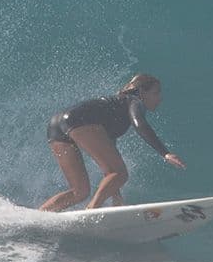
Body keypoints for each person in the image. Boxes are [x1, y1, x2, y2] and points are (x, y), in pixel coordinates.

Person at [38, 73, 186, 211]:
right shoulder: (134, 101)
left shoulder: (114, 109)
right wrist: (165, 153)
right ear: (142, 92)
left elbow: (109, 169)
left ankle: (39, 217)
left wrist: (116, 196)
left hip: (56, 126)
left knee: (80, 191)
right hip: (78, 121)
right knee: (121, 173)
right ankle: (92, 211)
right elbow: (139, 124)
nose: (159, 98)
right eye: (156, 93)